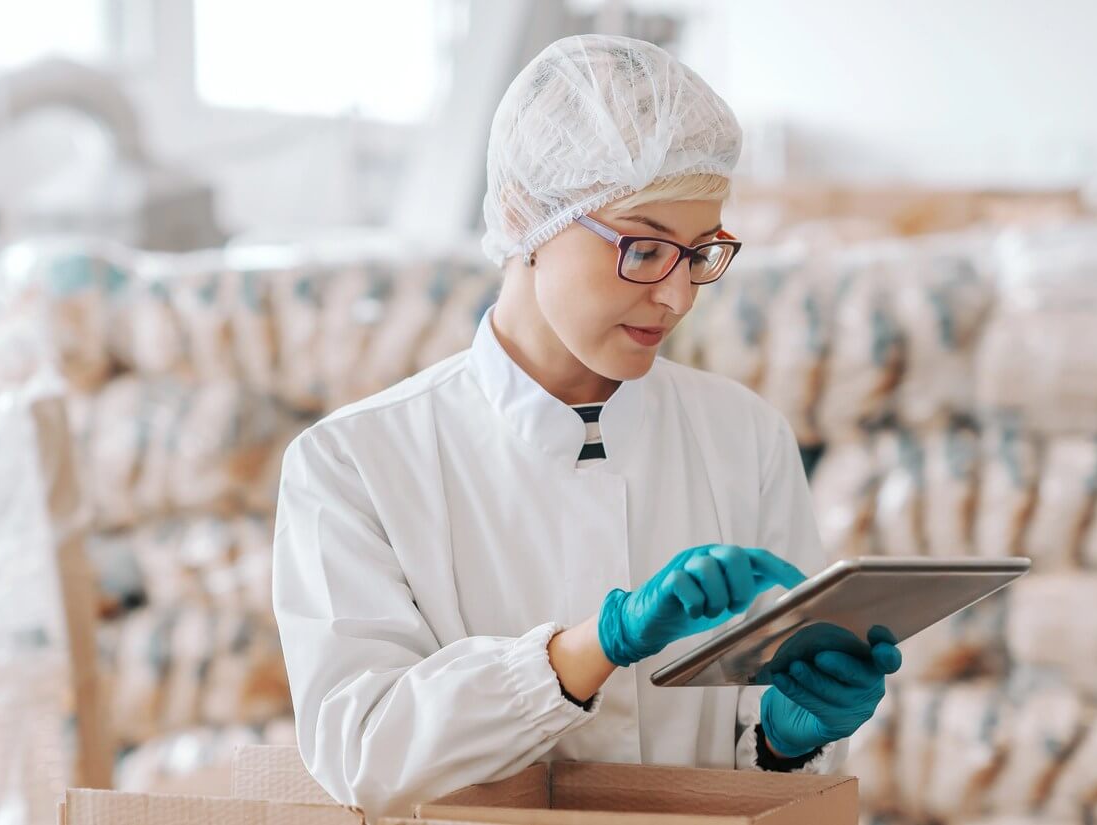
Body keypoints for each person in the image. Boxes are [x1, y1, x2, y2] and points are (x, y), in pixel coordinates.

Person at [273, 34, 900, 816]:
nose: (677, 298)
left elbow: (759, 766)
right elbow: (362, 752)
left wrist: (789, 736)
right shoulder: (355, 461)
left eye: (700, 252)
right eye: (642, 248)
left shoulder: (744, 435)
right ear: (523, 216)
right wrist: (590, 650)